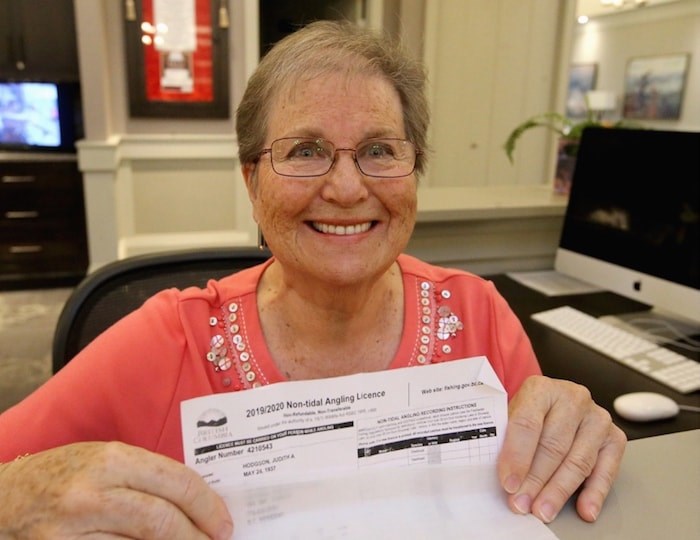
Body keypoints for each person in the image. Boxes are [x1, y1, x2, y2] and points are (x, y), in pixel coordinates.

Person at [0, 20, 625, 538]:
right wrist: (21, 494)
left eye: (381, 149)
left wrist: (574, 425)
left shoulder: (477, 312)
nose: (348, 187)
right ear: (251, 180)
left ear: (415, 170)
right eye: (304, 151)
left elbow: (549, 460)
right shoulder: (168, 340)